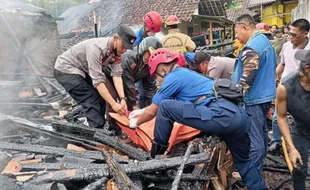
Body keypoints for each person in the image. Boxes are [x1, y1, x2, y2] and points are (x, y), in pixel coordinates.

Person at [128, 48, 267, 190]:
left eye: (155, 77)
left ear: (162, 70)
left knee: (165, 107)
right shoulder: (188, 74)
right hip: (238, 115)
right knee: (244, 161)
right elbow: (152, 108)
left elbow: (153, 111)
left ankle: (155, 159)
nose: (157, 81)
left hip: (221, 115)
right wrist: (141, 112)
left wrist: (134, 123)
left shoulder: (173, 77)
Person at [54, 25, 136, 128]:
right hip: (65, 70)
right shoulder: (96, 49)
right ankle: (97, 133)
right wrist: (114, 104)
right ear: (115, 39)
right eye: (123, 46)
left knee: (100, 98)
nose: (124, 50)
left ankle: (100, 127)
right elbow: (98, 82)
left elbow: (117, 75)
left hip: (81, 70)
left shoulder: (115, 52)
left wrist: (123, 98)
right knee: (90, 100)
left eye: (126, 48)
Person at [232, 14, 276, 173]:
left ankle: (253, 176)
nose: (236, 37)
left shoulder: (252, 47)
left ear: (244, 27)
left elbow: (248, 76)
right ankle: (258, 168)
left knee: (254, 139)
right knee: (262, 134)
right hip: (264, 96)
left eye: (237, 32)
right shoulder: (264, 41)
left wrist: (235, 96)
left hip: (254, 99)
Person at [269, 18, 310, 153]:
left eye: (294, 34)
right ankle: (276, 141)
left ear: (305, 34)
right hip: (285, 87)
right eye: (289, 33)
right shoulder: (286, 46)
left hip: (304, 89)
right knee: (278, 116)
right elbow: (282, 64)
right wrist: (273, 76)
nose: (290, 37)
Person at [277, 49, 310, 190]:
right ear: (308, 69)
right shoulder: (286, 86)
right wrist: (291, 148)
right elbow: (281, 116)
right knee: (298, 169)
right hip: (302, 130)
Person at [121, 37, 162, 111]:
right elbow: (128, 83)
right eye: (149, 54)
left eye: (153, 56)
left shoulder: (149, 65)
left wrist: (151, 107)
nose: (150, 58)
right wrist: (133, 104)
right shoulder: (130, 57)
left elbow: (150, 87)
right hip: (112, 79)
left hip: (127, 84)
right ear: (143, 49)